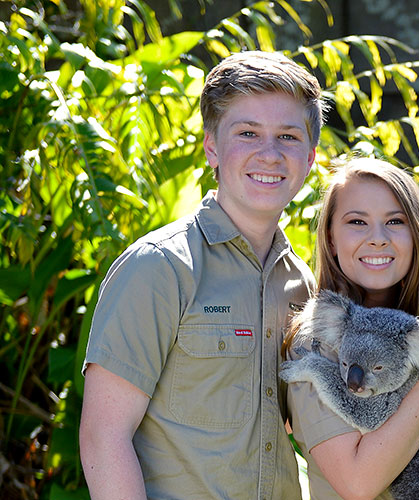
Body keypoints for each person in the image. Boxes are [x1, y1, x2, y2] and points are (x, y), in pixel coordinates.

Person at [79, 51, 326, 498]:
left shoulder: (301, 285)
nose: (269, 154)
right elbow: (103, 437)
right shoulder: (158, 269)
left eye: (288, 137)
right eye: (248, 133)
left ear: (309, 157)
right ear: (212, 146)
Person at [282, 157, 419, 499]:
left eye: (395, 221)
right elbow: (358, 483)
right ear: (331, 238)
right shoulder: (318, 342)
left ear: (418, 234)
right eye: (357, 222)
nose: (378, 238)